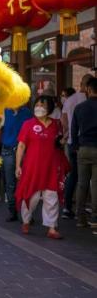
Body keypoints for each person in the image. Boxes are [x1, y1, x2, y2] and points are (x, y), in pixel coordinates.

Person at [15, 96, 69, 239]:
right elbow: (21, 146)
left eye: (42, 105)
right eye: (37, 105)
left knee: (51, 197)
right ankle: (26, 221)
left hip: (51, 168)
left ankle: (51, 228)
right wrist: (18, 166)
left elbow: (59, 143)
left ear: (49, 108)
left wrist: (62, 140)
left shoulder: (56, 125)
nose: (39, 107)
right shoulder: (28, 124)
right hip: (32, 167)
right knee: (31, 197)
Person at [61, 74, 94, 219]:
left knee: (77, 179)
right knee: (94, 181)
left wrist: (71, 139)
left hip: (77, 146)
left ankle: (71, 209)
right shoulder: (84, 100)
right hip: (93, 145)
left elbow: (67, 122)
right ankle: (93, 213)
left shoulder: (72, 101)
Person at [0, 105, 32, 221]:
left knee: (25, 181)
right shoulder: (3, 112)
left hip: (24, 151)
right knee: (10, 183)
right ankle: (12, 211)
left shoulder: (27, 112)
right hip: (7, 150)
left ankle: (27, 213)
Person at [71, 77, 97, 230]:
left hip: (83, 148)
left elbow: (74, 130)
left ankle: (80, 217)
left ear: (88, 90)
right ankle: (95, 217)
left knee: (82, 183)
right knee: (96, 185)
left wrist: (76, 146)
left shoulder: (80, 107)